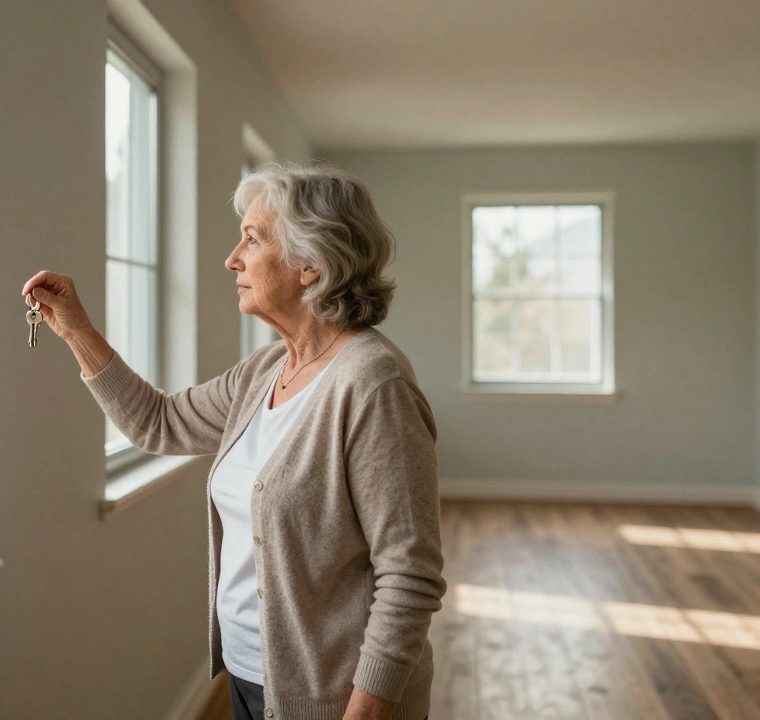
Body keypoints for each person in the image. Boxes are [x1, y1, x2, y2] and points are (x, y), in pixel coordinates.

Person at [22, 161, 444, 720]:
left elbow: (408, 573)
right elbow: (159, 422)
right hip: (250, 677)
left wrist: (368, 709)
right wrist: (77, 330)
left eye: (251, 238)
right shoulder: (267, 369)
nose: (232, 259)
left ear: (310, 264)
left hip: (337, 698)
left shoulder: (372, 383)